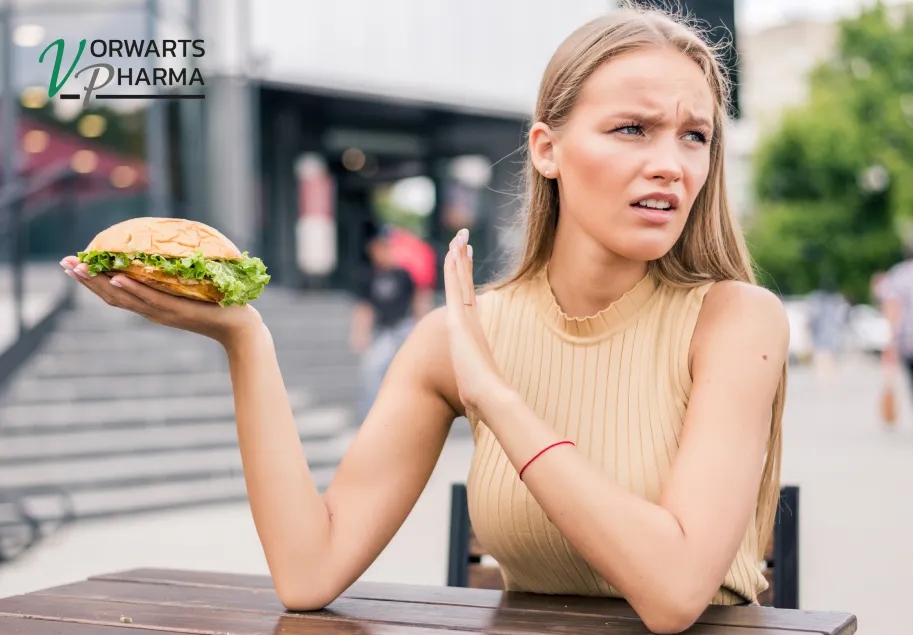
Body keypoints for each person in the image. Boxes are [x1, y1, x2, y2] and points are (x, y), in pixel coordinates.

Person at [59, 5, 789, 633]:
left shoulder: (736, 323)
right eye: (632, 128)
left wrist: (495, 398)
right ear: (547, 151)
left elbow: (673, 594)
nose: (671, 164)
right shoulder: (457, 337)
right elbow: (308, 572)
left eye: (694, 136)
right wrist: (244, 338)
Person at [349, 228, 429, 423]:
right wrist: (360, 334)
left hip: (404, 326)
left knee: (411, 371)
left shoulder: (403, 274)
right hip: (383, 331)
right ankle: (373, 415)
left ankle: (412, 413)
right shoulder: (368, 276)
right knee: (372, 369)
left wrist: (422, 326)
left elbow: (418, 299)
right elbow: (364, 308)